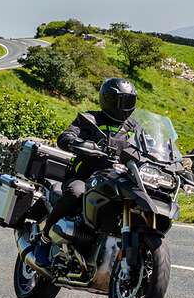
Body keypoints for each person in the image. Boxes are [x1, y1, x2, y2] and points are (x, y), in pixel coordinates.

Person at [34, 77, 142, 268]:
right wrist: (78, 143)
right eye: (122, 101)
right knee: (76, 193)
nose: (126, 106)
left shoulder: (134, 127)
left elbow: (148, 147)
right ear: (109, 100)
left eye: (129, 101)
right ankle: (44, 239)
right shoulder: (89, 120)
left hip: (118, 179)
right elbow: (66, 137)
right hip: (84, 176)